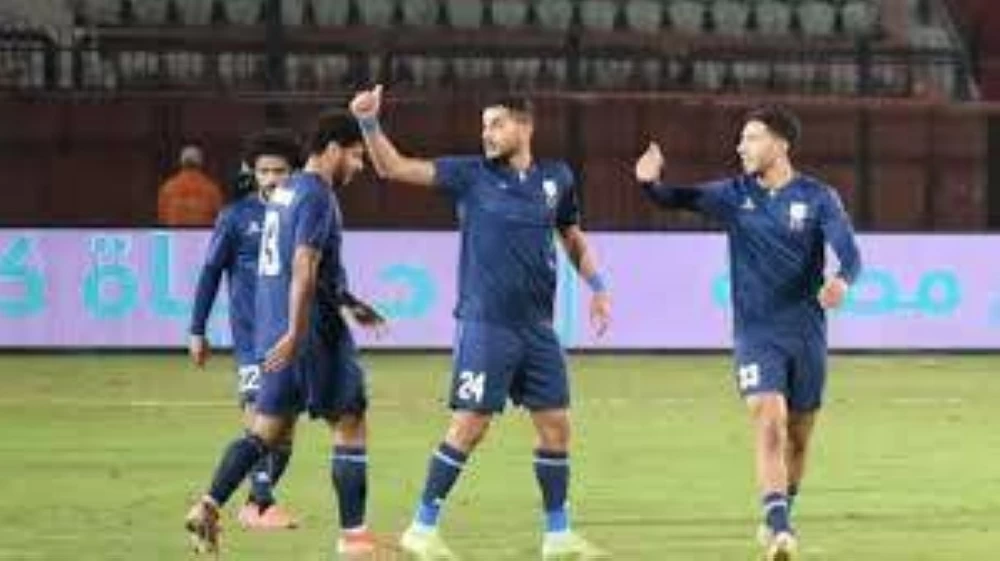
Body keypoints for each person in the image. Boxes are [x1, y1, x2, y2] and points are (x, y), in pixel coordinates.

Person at [349, 85, 612, 560]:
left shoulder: (557, 178)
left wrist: (598, 286)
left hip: (537, 328)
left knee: (556, 426)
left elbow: (571, 235)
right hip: (487, 324)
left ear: (524, 126)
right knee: (470, 425)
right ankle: (421, 528)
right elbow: (394, 167)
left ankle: (558, 536)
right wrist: (369, 122)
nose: (486, 133)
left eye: (496, 124)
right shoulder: (470, 175)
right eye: (484, 125)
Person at [634, 105, 862, 560]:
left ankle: (780, 512)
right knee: (768, 418)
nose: (741, 147)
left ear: (780, 144)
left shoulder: (818, 197)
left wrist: (841, 280)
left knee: (799, 438)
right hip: (757, 335)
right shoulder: (733, 195)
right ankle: (780, 530)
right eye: (742, 139)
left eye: (752, 137)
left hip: (806, 335)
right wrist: (648, 183)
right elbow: (674, 198)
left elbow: (850, 253)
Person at [184, 112, 384, 558]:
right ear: (333, 149)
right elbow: (303, 264)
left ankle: (208, 506)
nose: (359, 166)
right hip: (310, 333)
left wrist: (349, 303)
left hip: (274, 331)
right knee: (350, 422)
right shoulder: (316, 194)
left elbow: (304, 268)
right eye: (356, 156)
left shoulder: (282, 195)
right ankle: (354, 538)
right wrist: (297, 332)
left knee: (264, 432)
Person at [188, 129, 301, 530]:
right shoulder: (236, 217)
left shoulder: (303, 214)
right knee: (258, 417)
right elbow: (210, 272)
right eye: (264, 171)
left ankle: (253, 504)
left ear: (294, 173)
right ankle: (259, 505)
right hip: (252, 337)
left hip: (290, 338)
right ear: (252, 173)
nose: (271, 179)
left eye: (279, 171)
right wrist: (197, 329)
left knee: (284, 432)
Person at [157, 145, 224, 226]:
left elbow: (162, 217)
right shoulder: (211, 189)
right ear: (200, 163)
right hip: (202, 232)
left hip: (175, 232)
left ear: (181, 162)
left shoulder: (168, 187)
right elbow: (219, 218)